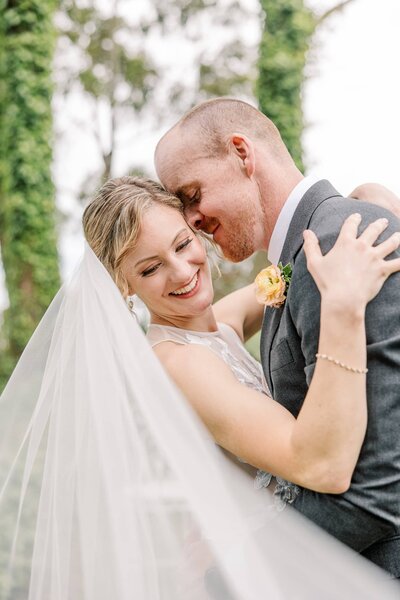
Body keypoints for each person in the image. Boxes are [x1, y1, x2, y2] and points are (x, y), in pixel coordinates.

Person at [154, 97, 400, 576]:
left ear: (242, 154)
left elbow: (382, 486)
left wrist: (234, 571)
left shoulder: (337, 244)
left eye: (191, 194)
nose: (191, 220)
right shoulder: (300, 257)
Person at [83, 176, 400, 506]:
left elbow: (297, 266)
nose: (180, 272)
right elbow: (319, 467)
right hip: (284, 545)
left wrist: (359, 200)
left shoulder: (214, 326)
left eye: (181, 245)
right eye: (150, 269)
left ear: (195, 232)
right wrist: (342, 306)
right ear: (124, 286)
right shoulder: (179, 363)